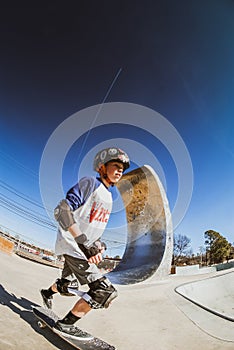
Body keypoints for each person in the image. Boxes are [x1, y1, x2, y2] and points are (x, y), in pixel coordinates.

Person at [40, 147, 130, 340]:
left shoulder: (109, 198)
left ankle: (47, 293)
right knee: (104, 292)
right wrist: (84, 244)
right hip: (74, 247)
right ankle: (66, 325)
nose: (120, 170)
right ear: (101, 167)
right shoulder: (90, 183)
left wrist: (97, 244)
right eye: (115, 165)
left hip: (81, 248)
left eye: (122, 168)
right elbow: (62, 210)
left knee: (66, 286)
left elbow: (92, 228)